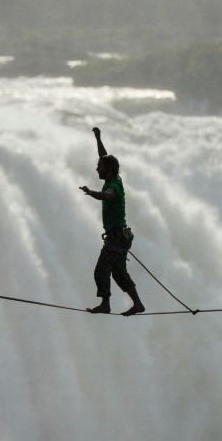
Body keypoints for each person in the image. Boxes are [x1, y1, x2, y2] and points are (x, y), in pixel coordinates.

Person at [79, 127, 145, 316]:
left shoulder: (114, 185)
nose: (96, 168)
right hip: (120, 236)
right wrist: (98, 138)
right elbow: (104, 156)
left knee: (101, 271)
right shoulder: (113, 177)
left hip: (116, 238)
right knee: (118, 273)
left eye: (99, 167)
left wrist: (92, 193)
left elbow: (108, 196)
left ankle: (106, 304)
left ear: (107, 170)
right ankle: (138, 304)